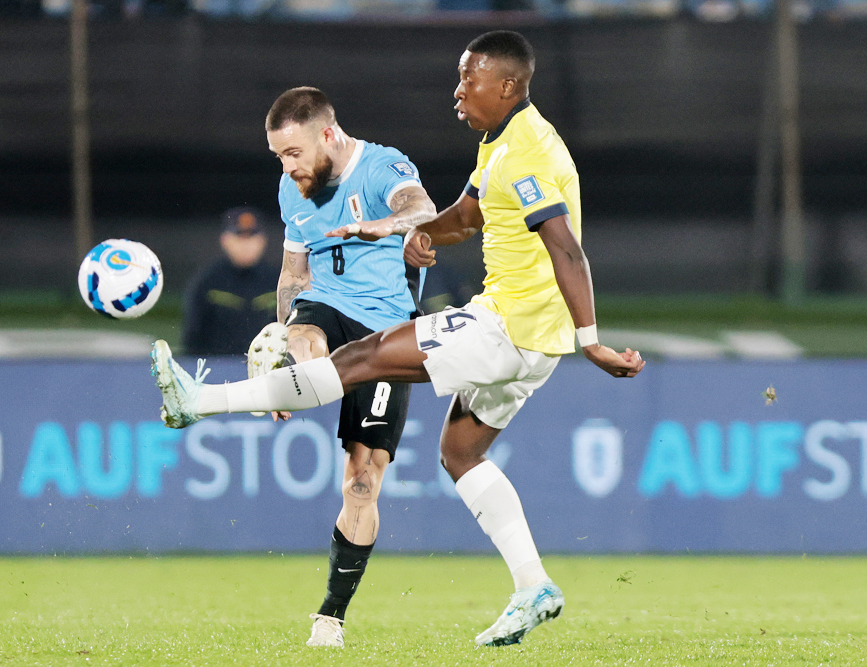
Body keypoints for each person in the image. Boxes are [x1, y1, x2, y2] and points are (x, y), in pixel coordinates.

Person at [150, 32, 645, 647]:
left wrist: (591, 340)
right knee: (460, 454)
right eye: (459, 77)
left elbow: (566, 248)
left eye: (471, 80)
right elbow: (464, 217)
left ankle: (196, 403)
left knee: (362, 358)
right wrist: (427, 236)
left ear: (509, 86)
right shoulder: (501, 144)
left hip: (511, 326)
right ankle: (533, 586)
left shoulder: (526, 155)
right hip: (533, 342)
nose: (457, 91)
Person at [187, 86, 438, 649]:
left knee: (363, 480)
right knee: (304, 335)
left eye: (293, 152)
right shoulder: (291, 186)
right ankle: (288, 382)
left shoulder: (382, 166)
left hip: (387, 331)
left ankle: (331, 616)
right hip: (326, 305)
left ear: (328, 135)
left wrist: (385, 225)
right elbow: (293, 276)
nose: (287, 166)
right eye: (279, 156)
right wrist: (281, 358)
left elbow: (422, 209)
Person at [181, 207, 278, 356]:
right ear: (225, 240)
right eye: (239, 237)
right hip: (219, 370)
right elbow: (193, 336)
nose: (245, 244)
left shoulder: (278, 282)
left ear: (262, 241)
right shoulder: (208, 282)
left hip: (268, 373)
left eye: (251, 237)